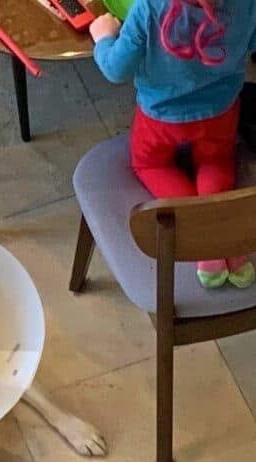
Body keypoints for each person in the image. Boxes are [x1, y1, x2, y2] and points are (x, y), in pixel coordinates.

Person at [90, 0, 256, 289]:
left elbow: (115, 70)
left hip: (160, 118)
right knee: (215, 161)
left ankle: (205, 240)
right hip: (221, 111)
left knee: (148, 163)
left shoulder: (150, 7)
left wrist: (103, 37)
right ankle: (229, 247)